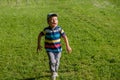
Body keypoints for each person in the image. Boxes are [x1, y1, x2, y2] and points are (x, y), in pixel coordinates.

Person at [37, 13, 72, 79]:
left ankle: (56, 71)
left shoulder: (59, 29)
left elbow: (65, 37)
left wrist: (68, 46)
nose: (54, 21)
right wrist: (38, 45)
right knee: (52, 61)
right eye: (52, 20)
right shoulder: (46, 30)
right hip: (49, 49)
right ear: (48, 22)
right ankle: (53, 72)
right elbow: (40, 35)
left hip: (58, 49)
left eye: (56, 19)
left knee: (57, 61)